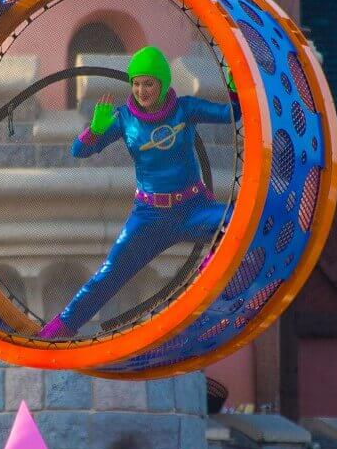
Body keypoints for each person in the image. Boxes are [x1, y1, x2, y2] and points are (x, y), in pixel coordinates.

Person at [37, 46, 238, 339]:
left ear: (162, 83)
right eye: (136, 83)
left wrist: (234, 91)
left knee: (240, 220)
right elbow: (79, 151)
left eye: (148, 83)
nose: (142, 90)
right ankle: (56, 330)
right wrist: (93, 131)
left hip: (193, 208)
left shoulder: (186, 108)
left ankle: (209, 274)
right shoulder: (124, 118)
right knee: (109, 273)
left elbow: (231, 115)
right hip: (149, 217)